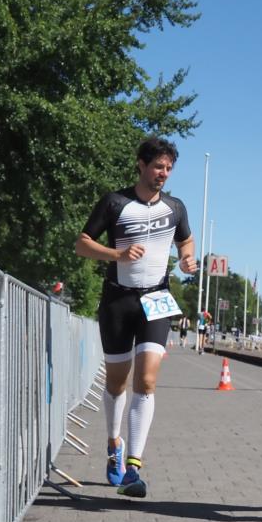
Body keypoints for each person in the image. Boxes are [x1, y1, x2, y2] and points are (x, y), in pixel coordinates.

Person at [75, 136, 199, 498]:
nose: (163, 174)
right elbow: (82, 244)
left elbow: (186, 243)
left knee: (146, 380)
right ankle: (113, 443)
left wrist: (188, 260)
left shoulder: (175, 208)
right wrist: (118, 255)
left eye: (169, 168)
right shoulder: (115, 202)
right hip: (117, 301)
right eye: (158, 166)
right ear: (141, 165)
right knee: (117, 382)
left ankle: (134, 467)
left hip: (157, 299)